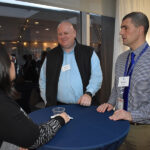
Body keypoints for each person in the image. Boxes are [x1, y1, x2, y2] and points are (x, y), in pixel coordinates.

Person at [97, 12, 150, 150]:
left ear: (140, 30)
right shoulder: (121, 59)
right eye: (121, 28)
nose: (121, 32)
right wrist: (110, 103)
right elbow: (117, 88)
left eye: (125, 28)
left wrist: (131, 115)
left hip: (142, 132)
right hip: (118, 125)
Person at [0, 47, 71, 149]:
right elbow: (36, 137)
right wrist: (60, 119)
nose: (13, 64)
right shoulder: (3, 105)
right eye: (12, 60)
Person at [39, 21, 103, 107]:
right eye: (60, 34)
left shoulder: (88, 52)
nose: (63, 37)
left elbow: (97, 77)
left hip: (84, 106)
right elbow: (42, 80)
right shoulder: (50, 56)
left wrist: (89, 93)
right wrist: (47, 101)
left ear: (74, 33)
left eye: (66, 33)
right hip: (57, 107)